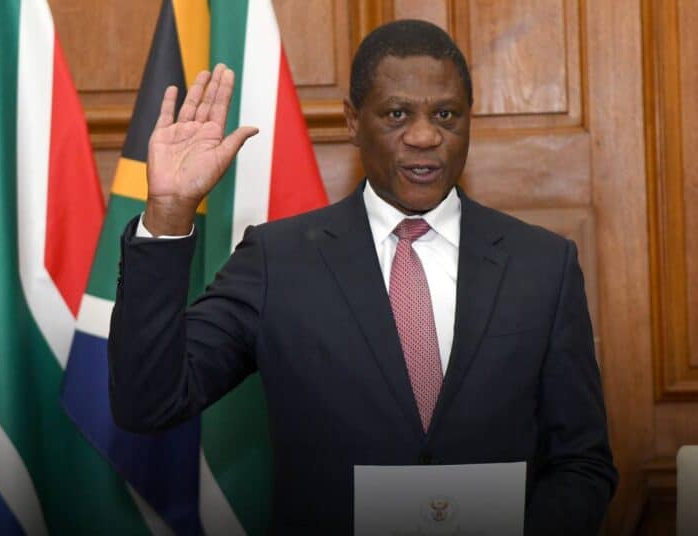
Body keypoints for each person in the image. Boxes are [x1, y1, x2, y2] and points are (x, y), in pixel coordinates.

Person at [109, 19, 617, 535]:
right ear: (353, 121)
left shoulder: (543, 264)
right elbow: (149, 401)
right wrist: (169, 212)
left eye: (446, 114)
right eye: (397, 114)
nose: (424, 136)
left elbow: (582, 462)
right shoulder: (277, 261)